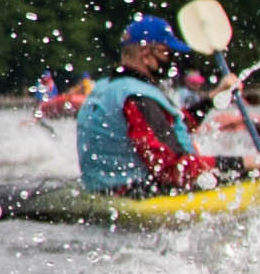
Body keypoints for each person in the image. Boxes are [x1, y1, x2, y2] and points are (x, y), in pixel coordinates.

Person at [74, 17, 242, 195]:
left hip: (106, 189)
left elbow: (165, 130)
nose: (171, 60)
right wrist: (246, 163)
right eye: (166, 53)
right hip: (139, 193)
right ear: (146, 55)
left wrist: (213, 98)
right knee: (258, 170)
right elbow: (171, 169)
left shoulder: (105, 87)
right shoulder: (138, 98)